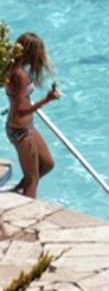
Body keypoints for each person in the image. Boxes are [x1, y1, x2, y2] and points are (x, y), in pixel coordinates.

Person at [4, 32, 61, 198]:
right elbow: (20, 110)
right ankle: (27, 211)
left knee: (47, 164)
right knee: (32, 178)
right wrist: (47, 99)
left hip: (26, 127)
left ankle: (17, 192)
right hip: (20, 129)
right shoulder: (19, 75)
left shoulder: (16, 69)